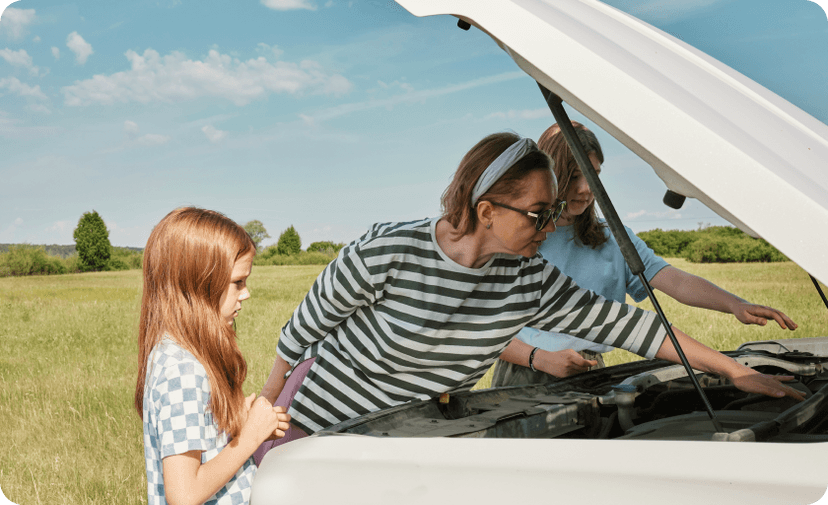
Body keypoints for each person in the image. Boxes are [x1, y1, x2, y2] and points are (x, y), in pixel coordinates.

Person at [257, 132, 802, 457]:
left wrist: (733, 372)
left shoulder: (528, 278)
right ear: (488, 208)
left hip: (406, 443)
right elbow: (301, 331)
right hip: (316, 430)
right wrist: (264, 416)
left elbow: (630, 326)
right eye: (539, 214)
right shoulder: (390, 249)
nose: (550, 226)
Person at [492, 122, 797, 387]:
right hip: (525, 373)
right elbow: (485, 326)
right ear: (551, 174)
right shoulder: (520, 235)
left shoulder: (610, 236)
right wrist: (539, 359)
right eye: (574, 176)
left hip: (591, 371)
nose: (586, 188)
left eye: (593, 174)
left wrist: (735, 303)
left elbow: (674, 280)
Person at [135, 207, 291, 505]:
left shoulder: (186, 356)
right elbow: (184, 495)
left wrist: (237, 425)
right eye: (237, 282)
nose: (246, 294)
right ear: (198, 284)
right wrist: (250, 438)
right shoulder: (181, 369)